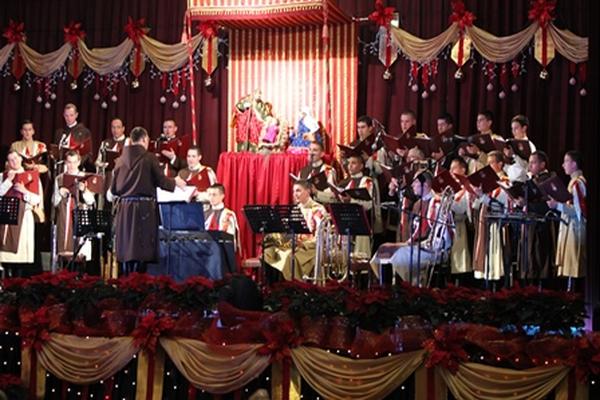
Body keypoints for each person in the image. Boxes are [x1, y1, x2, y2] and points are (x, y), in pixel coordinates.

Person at [110, 127, 186, 274]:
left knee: (127, 248)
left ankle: (125, 282)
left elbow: (114, 189)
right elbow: (161, 181)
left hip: (125, 209)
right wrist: (175, 182)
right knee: (142, 249)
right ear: (145, 140)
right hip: (143, 209)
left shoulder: (119, 160)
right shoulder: (149, 157)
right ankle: (139, 283)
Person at [372, 171, 451, 286]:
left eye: (416, 182)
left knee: (398, 254)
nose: (412, 185)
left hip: (432, 249)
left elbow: (443, 235)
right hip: (417, 244)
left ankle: (403, 288)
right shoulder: (418, 203)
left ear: (425, 185)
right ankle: (385, 288)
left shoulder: (437, 203)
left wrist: (423, 244)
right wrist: (409, 243)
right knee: (384, 249)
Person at [264, 180, 327, 280]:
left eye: (298, 191)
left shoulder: (318, 209)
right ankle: (272, 285)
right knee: (268, 252)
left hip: (311, 248)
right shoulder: (295, 209)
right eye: (294, 191)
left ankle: (293, 285)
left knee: (289, 257)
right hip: (295, 245)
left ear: (308, 191)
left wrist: (304, 244)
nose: (295, 194)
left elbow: (322, 237)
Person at [547, 150, 586, 287]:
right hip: (570, 226)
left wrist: (557, 205)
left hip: (576, 228)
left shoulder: (578, 184)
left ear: (574, 164)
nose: (563, 165)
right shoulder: (574, 182)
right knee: (570, 265)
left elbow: (578, 211)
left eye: (566, 161)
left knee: (574, 265)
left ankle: (574, 293)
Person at [0, 151, 43, 276]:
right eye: (11, 159)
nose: (14, 161)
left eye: (16, 158)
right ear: (8, 162)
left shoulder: (32, 176)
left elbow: (37, 199)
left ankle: (18, 281)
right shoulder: (2, 176)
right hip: (7, 217)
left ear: (21, 159)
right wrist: (8, 181)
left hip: (24, 218)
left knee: (21, 254)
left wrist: (24, 191)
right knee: (6, 255)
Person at [472, 151, 511, 282]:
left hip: (496, 223)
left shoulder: (504, 182)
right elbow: (477, 205)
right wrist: (476, 196)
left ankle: (495, 282)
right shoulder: (487, 182)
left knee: (494, 253)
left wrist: (482, 197)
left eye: (491, 163)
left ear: (500, 164)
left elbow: (500, 206)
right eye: (487, 164)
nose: (488, 167)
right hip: (485, 220)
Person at [52, 150, 96, 263]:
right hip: (64, 216)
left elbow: (91, 201)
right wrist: (60, 193)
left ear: (79, 162)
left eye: (74, 162)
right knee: (65, 251)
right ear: (65, 162)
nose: (71, 165)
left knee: (80, 253)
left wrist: (84, 190)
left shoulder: (85, 177)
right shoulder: (59, 178)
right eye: (69, 162)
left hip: (80, 215)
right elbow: (54, 202)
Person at [522, 151, 554, 281]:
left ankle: (541, 281)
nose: (530, 166)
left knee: (540, 252)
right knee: (530, 252)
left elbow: (547, 204)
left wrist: (528, 203)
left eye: (533, 163)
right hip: (531, 220)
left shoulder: (549, 179)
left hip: (543, 221)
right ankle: (530, 279)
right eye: (529, 163)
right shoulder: (531, 180)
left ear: (542, 165)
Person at [336, 153, 375, 258]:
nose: (350, 166)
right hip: (346, 220)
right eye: (349, 163)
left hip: (361, 222)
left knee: (360, 256)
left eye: (353, 163)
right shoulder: (345, 182)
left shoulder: (366, 181)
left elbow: (369, 204)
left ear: (361, 166)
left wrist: (351, 201)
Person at [448, 157, 473, 278]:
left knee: (461, 254)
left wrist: (448, 201)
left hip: (462, 223)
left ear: (463, 170)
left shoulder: (467, 186)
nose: (451, 171)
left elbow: (461, 207)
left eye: (454, 168)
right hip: (450, 223)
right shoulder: (451, 185)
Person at [56, 103, 93, 170]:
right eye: (66, 116)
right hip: (60, 167)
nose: (69, 118)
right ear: (63, 115)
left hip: (76, 168)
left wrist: (76, 163)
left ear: (76, 115)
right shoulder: (59, 132)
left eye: (71, 115)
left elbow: (87, 153)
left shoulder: (84, 132)